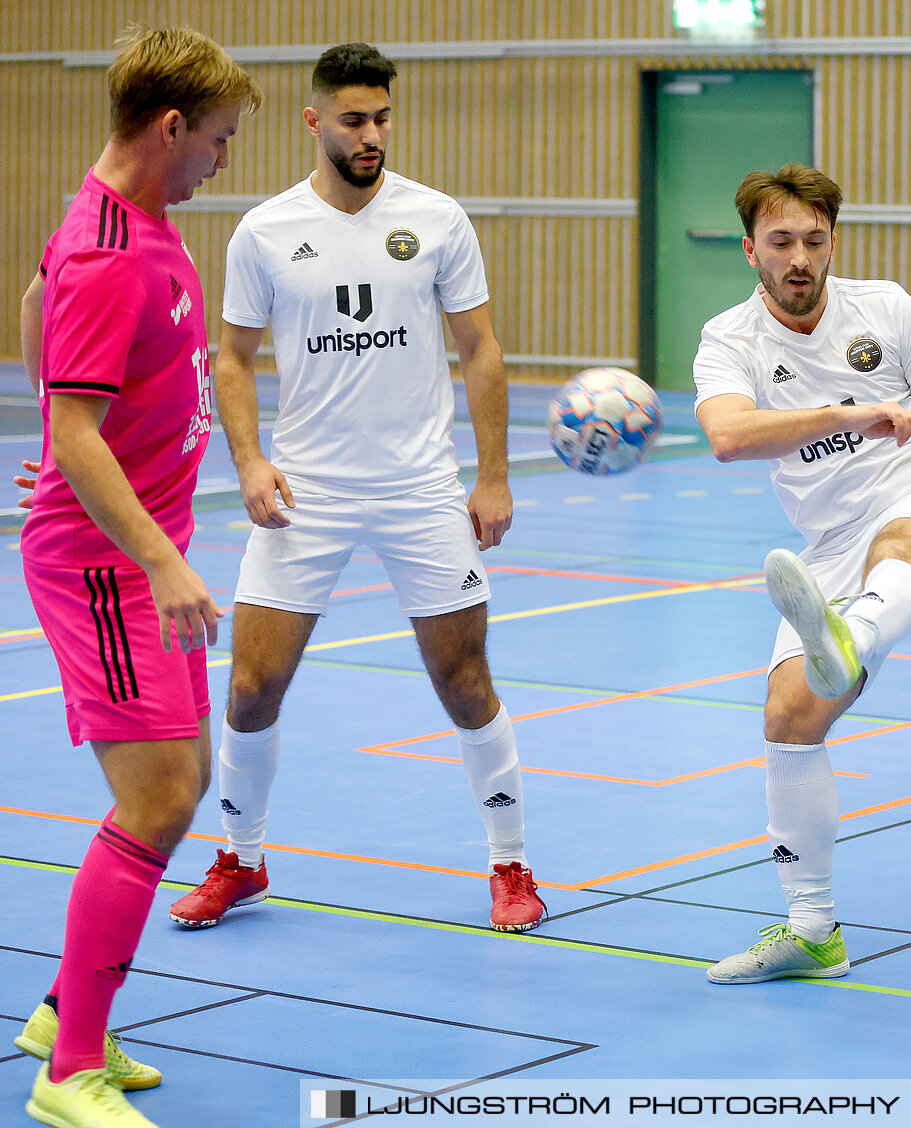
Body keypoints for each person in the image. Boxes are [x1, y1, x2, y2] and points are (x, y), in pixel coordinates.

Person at [164, 43, 544, 933]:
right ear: (315, 121)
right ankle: (240, 860)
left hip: (419, 488)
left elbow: (480, 350)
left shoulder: (438, 218)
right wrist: (250, 462)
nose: (370, 134)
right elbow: (233, 357)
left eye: (381, 118)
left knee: (463, 679)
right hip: (309, 490)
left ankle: (511, 863)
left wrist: (491, 475)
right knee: (253, 684)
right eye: (353, 120)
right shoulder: (264, 230)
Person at [694, 164, 911, 983]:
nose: (800, 256)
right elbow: (730, 436)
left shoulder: (884, 309)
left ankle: (851, 631)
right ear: (751, 252)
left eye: (814, 240)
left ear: (832, 241)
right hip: (829, 539)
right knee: (787, 717)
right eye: (781, 243)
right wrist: (848, 415)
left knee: (902, 548)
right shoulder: (728, 340)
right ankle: (813, 933)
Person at [11, 26, 259, 1128]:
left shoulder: (127, 221)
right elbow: (73, 432)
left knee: (184, 777)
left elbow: (33, 295)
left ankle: (69, 1007)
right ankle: (68, 1070)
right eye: (216, 140)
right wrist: (157, 557)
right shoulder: (115, 247)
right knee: (157, 798)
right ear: (169, 128)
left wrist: (65, 412)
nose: (222, 160)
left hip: (138, 548)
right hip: (112, 565)